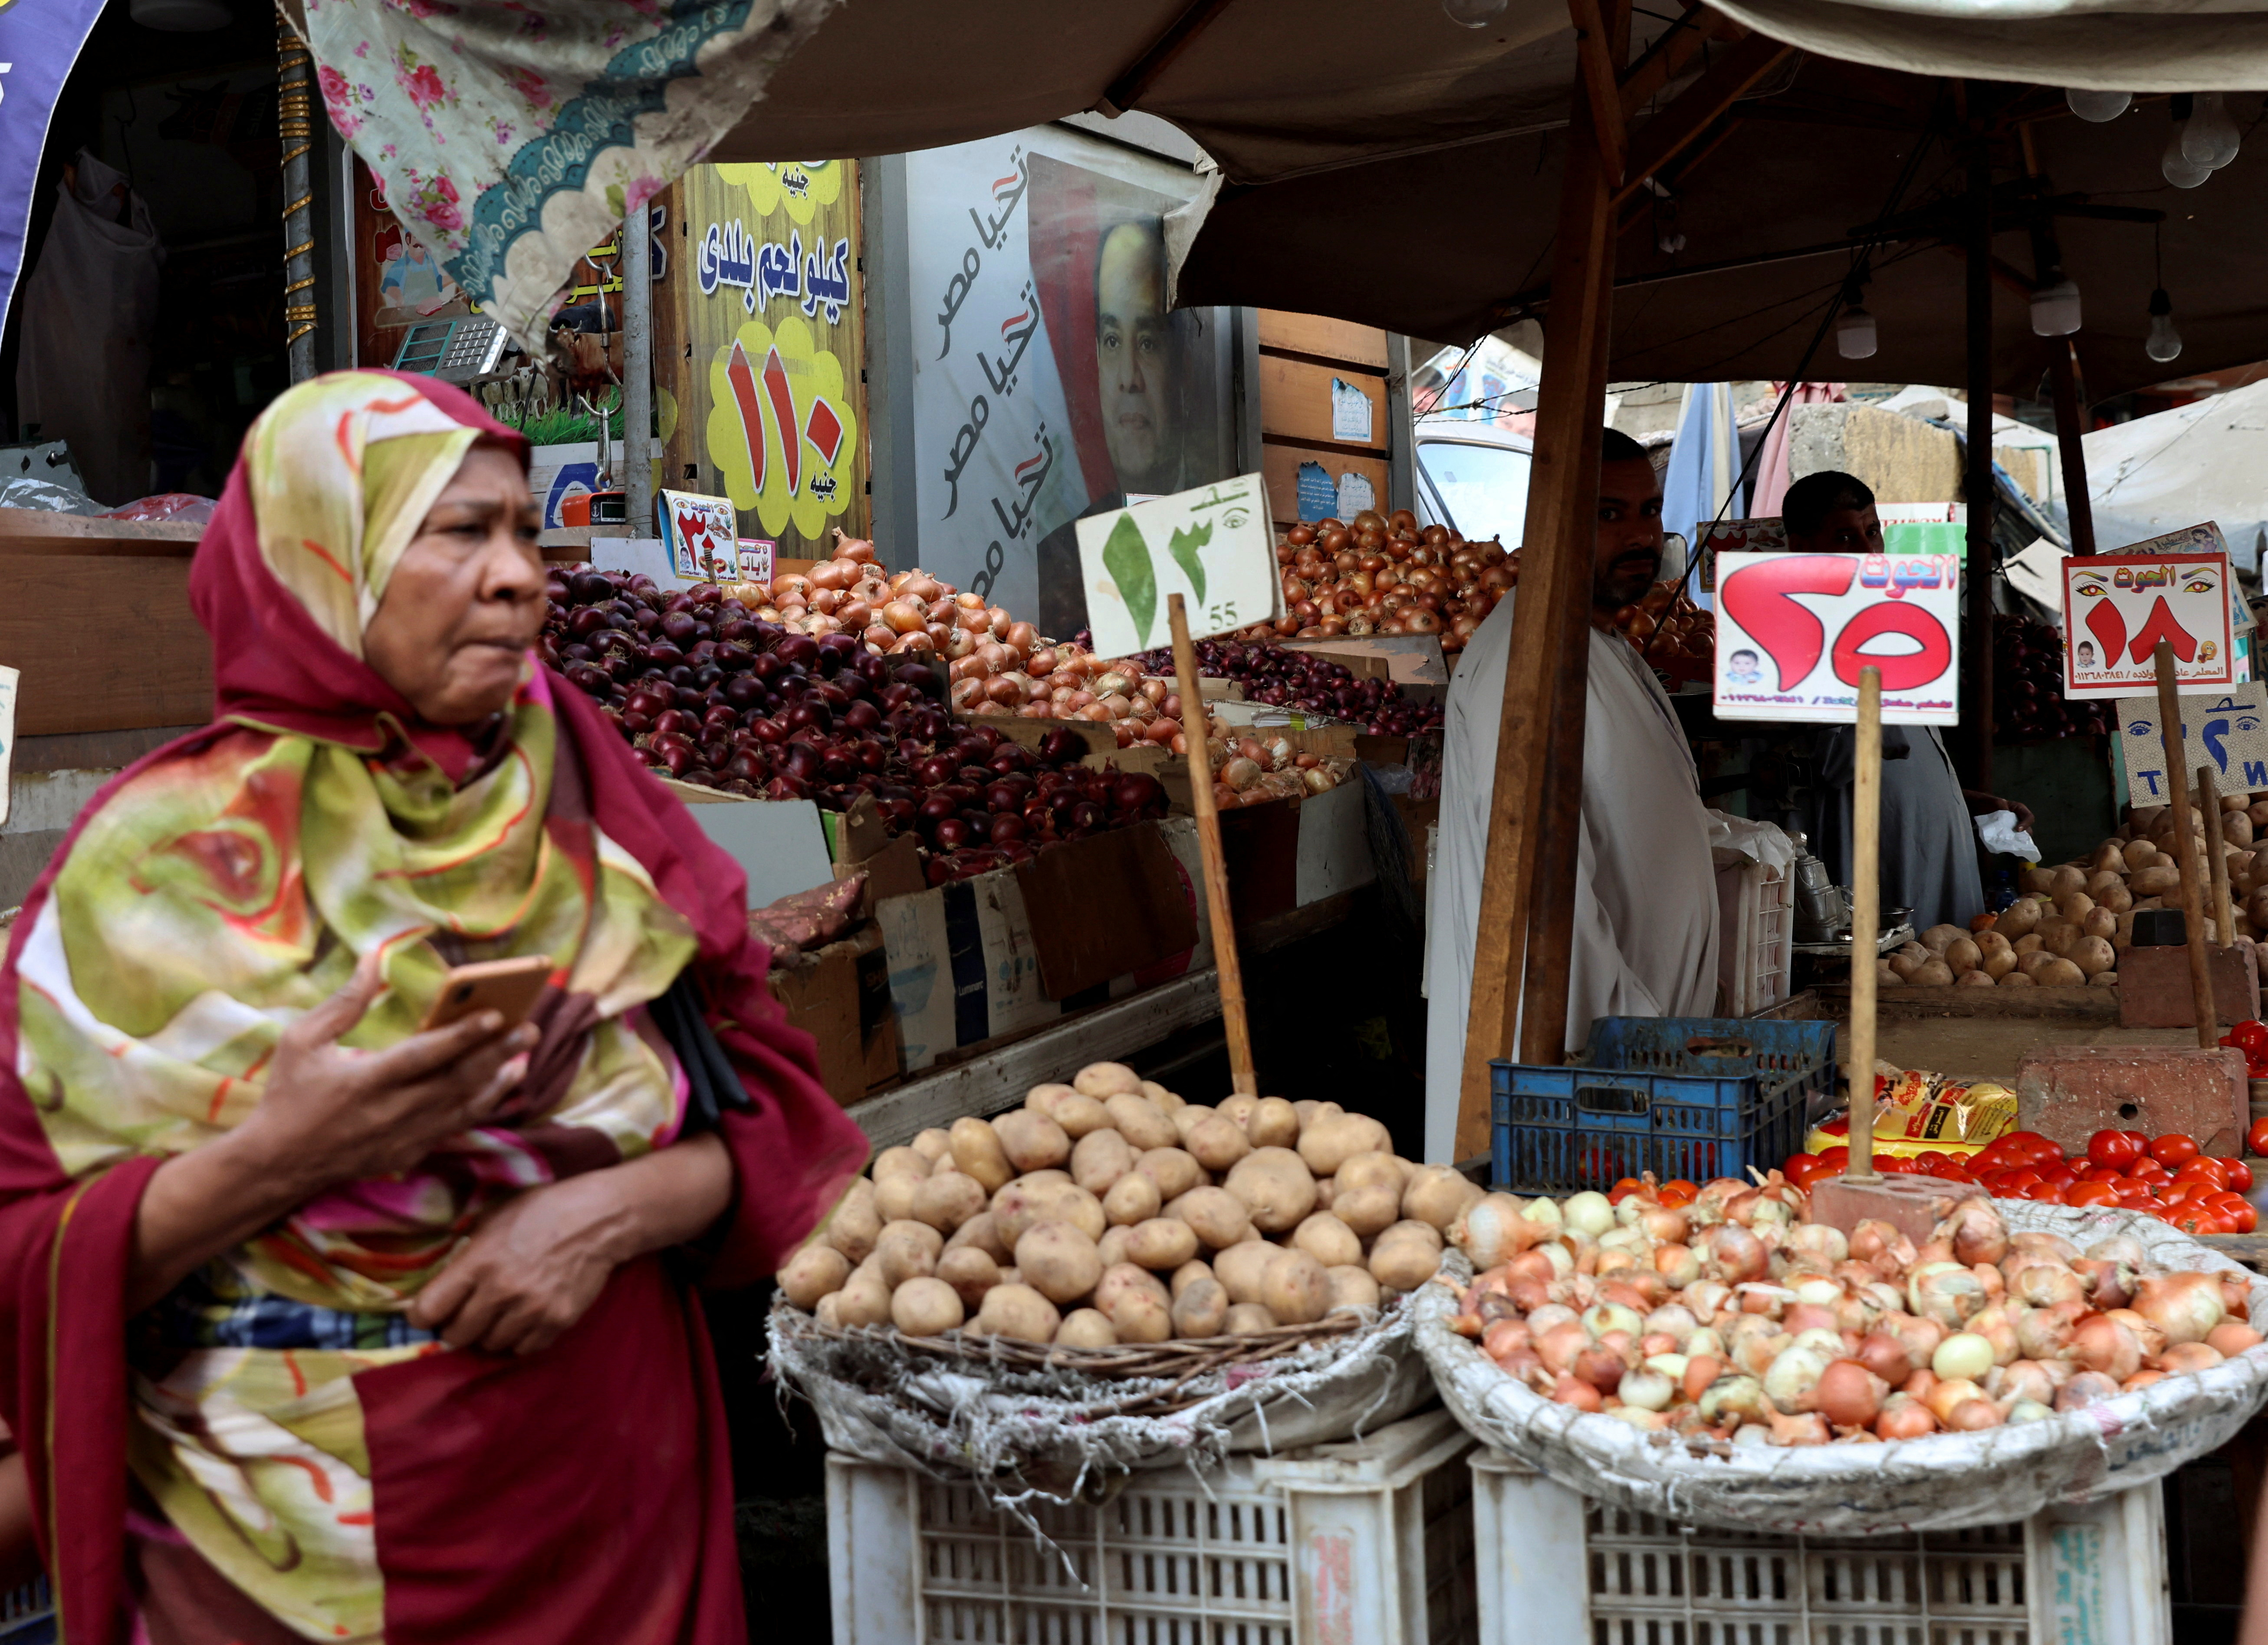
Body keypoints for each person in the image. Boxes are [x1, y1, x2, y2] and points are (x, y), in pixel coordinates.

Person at [0, 370, 868, 1642]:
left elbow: (772, 1115)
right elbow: (28, 1251)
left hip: (612, 1520)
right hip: (277, 1561)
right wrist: (281, 1157)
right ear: (317, 551)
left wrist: (600, 1212)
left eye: (524, 530)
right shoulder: (149, 868)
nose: (522, 576)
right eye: (459, 531)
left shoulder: (574, 782)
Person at [1423, 428, 1720, 1162]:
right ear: (1548, 523)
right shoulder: (1526, 663)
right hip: (1579, 1075)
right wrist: (1635, 1038)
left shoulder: (1601, 643)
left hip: (1641, 1060)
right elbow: (1537, 898)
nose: (1641, 535)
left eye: (1649, 511)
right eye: (1609, 514)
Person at [1786, 469, 2032, 932]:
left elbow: (1904, 758)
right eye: (1845, 536)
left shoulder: (1885, 625)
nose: (1868, 550)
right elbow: (1831, 762)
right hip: (1880, 871)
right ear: (1802, 546)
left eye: (1872, 531)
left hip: (1935, 857)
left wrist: (1968, 801)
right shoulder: (1800, 638)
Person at [1037, 216, 1184, 638]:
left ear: (1181, 364)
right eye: (1113, 341)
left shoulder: (1222, 525)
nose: (1129, 378)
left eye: (1149, 341)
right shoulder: (1060, 556)